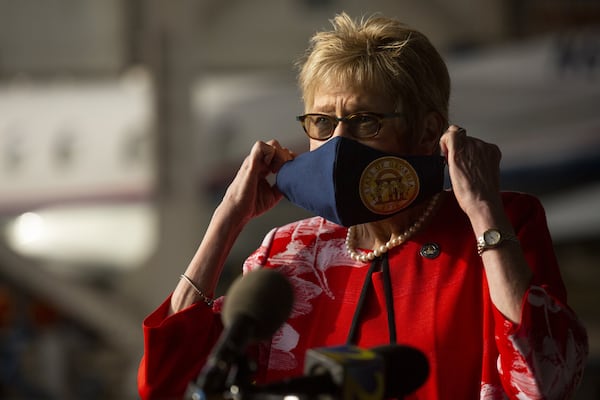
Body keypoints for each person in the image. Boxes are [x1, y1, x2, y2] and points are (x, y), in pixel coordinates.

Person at [138, 13, 588, 399]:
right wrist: (226, 220)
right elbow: (168, 384)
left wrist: (484, 210)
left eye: (364, 122)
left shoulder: (498, 226)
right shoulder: (288, 252)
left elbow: (545, 381)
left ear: (428, 130)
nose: (338, 144)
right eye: (321, 121)